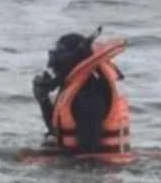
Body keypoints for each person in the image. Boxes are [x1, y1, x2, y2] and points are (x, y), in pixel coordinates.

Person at [31, 28, 131, 162]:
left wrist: (47, 159)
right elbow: (60, 133)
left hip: (101, 167)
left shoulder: (89, 91)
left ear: (74, 58)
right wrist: (43, 100)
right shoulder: (77, 85)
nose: (53, 61)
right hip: (93, 164)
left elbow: (89, 155)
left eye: (59, 54)